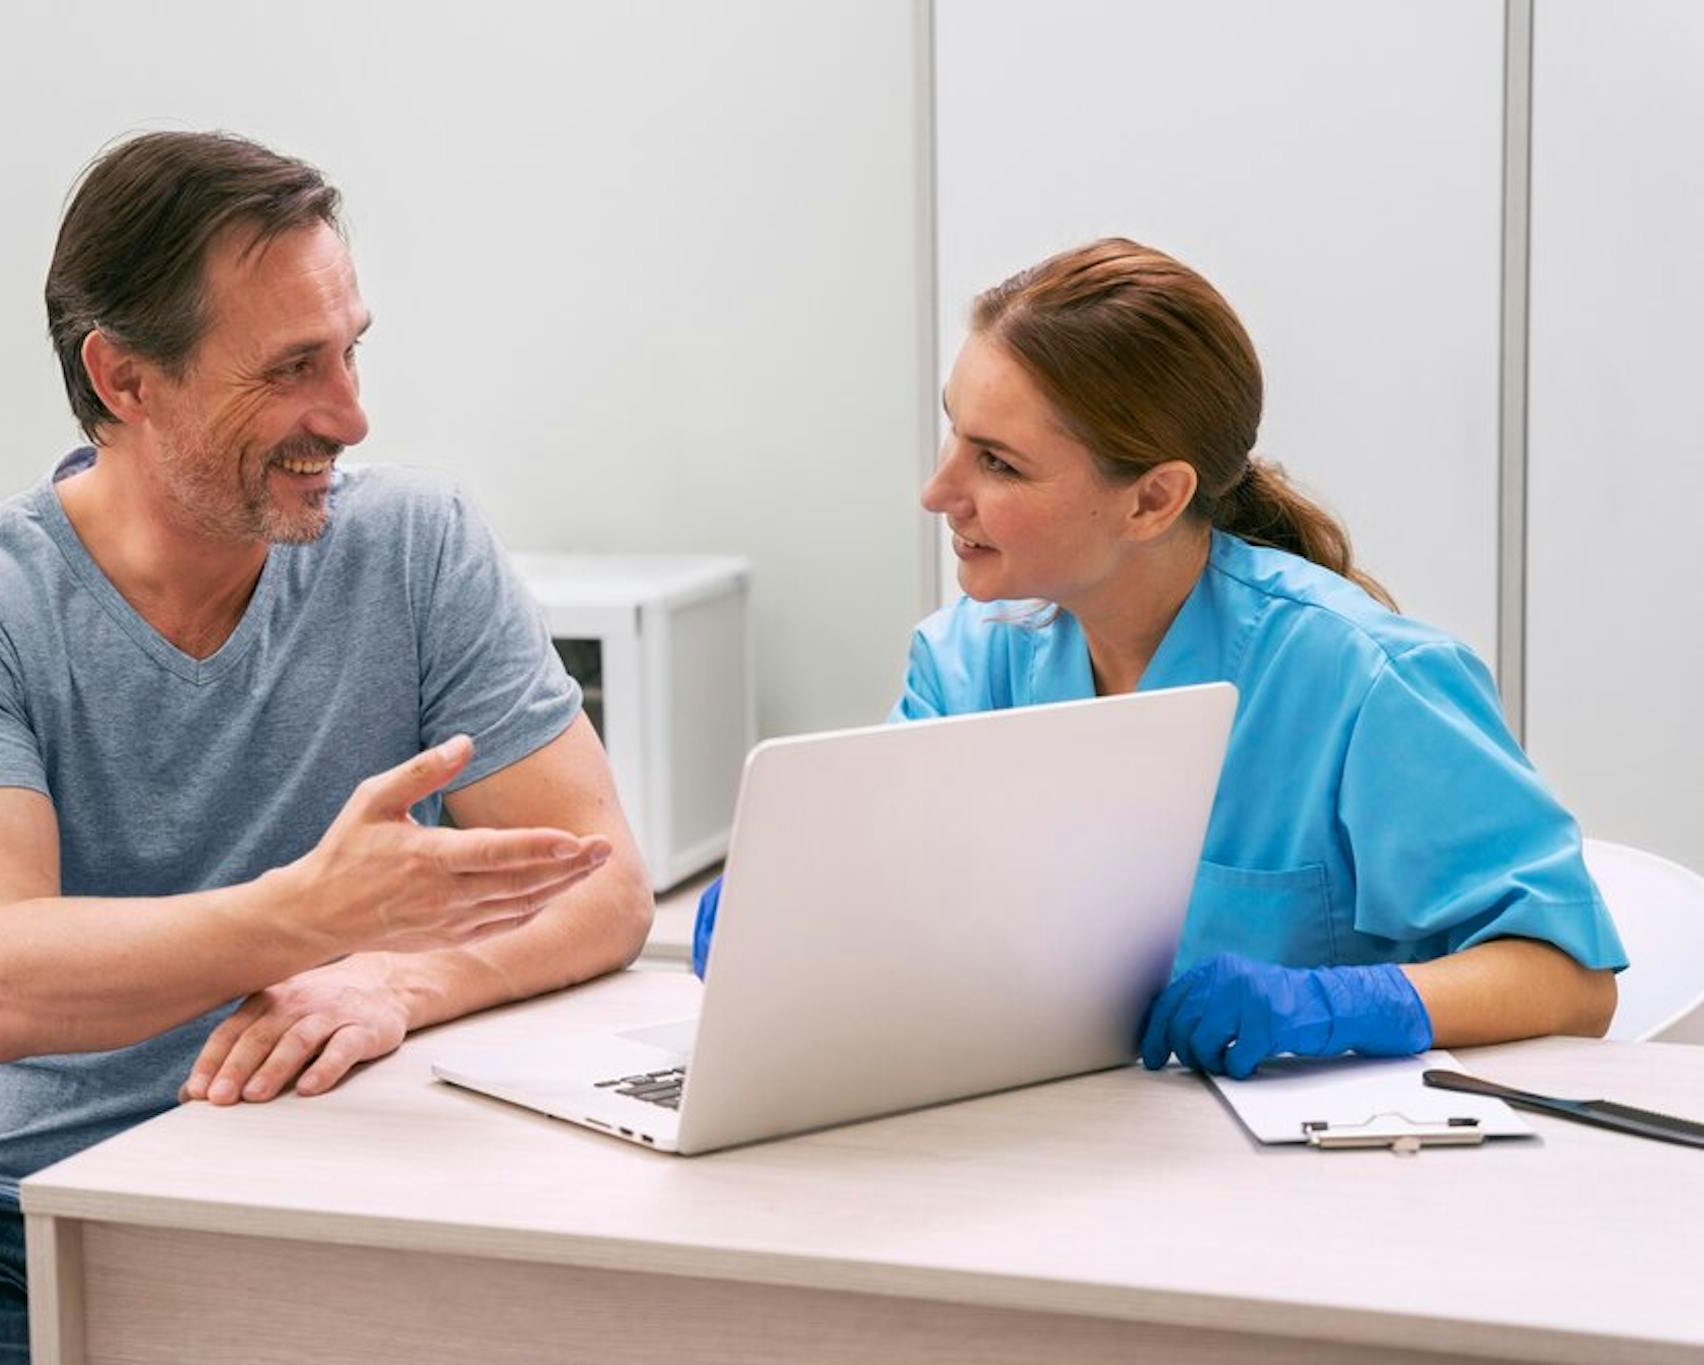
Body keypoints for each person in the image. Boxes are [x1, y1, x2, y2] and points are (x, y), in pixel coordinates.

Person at [0, 131, 653, 1362]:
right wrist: (314, 914)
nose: (350, 413)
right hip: (8, 1216)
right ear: (124, 379)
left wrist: (393, 979)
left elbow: (603, 881)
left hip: (332, 1174)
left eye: (352, 349)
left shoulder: (416, 548)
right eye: (291, 368)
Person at [694, 237, 1623, 1079]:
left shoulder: (1363, 678)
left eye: (998, 463)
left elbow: (1571, 981)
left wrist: (1349, 1006)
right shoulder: (965, 667)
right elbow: (901, 916)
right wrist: (796, 919)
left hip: (1303, 1190)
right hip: (1042, 1153)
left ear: (1152, 499)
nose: (939, 492)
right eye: (953, 431)